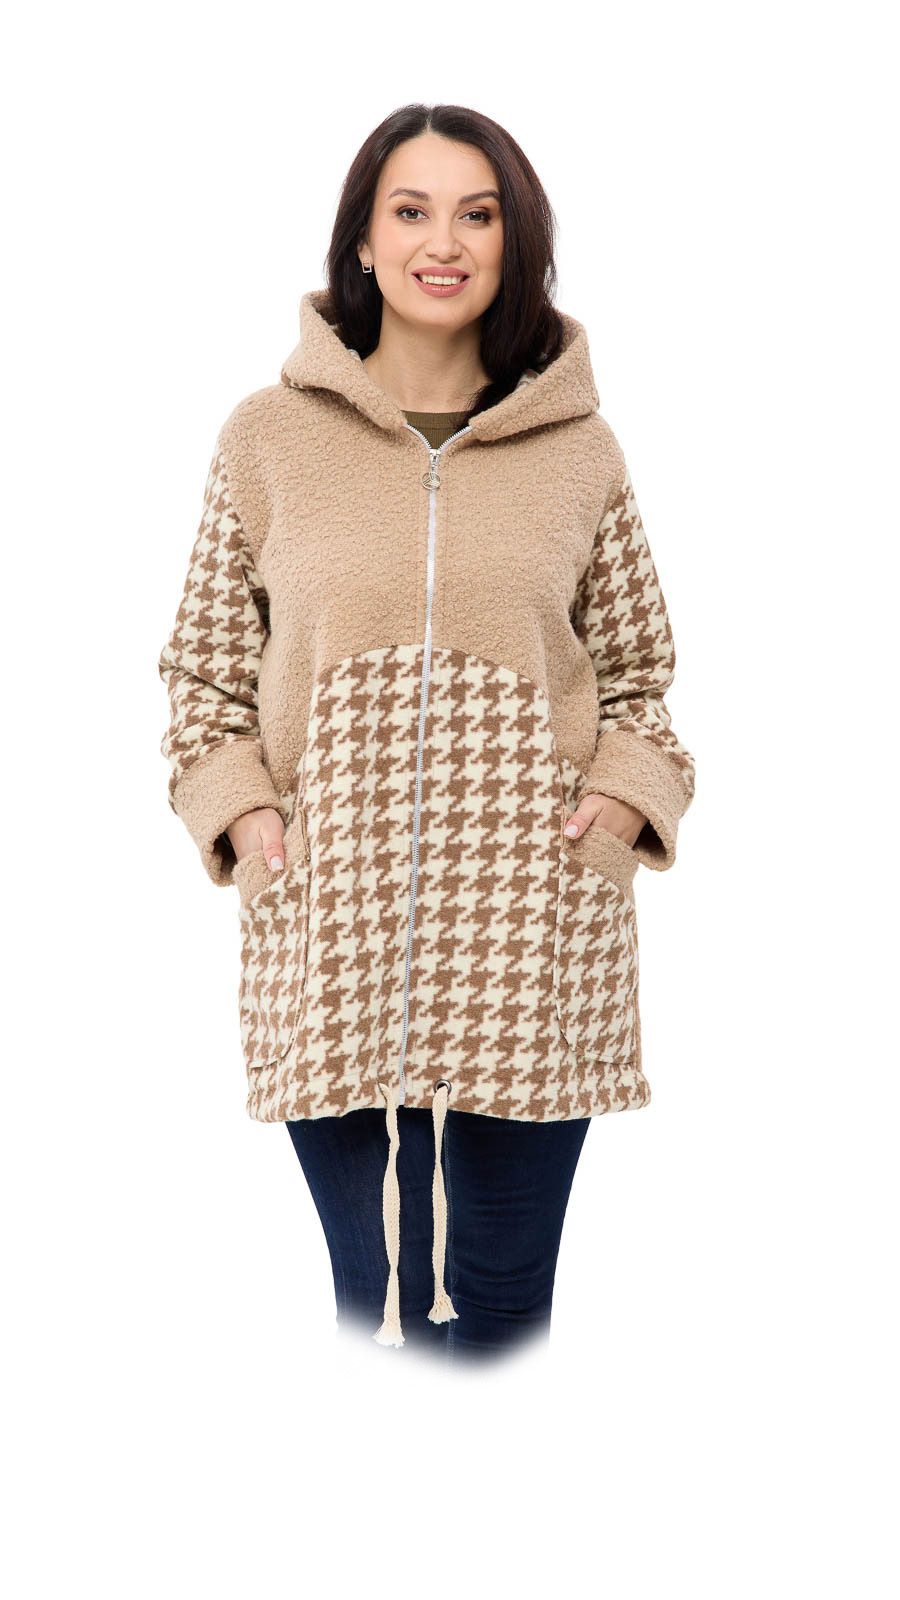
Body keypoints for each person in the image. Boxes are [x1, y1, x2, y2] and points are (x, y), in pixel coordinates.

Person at [157, 103, 696, 1363]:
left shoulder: (581, 452)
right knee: (378, 1307)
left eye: (478, 213)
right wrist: (249, 816)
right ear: (362, 239)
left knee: (505, 1313)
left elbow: (641, 677)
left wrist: (617, 806)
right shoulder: (267, 439)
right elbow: (203, 674)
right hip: (333, 937)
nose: (442, 242)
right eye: (411, 210)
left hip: (533, 944)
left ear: (516, 242)